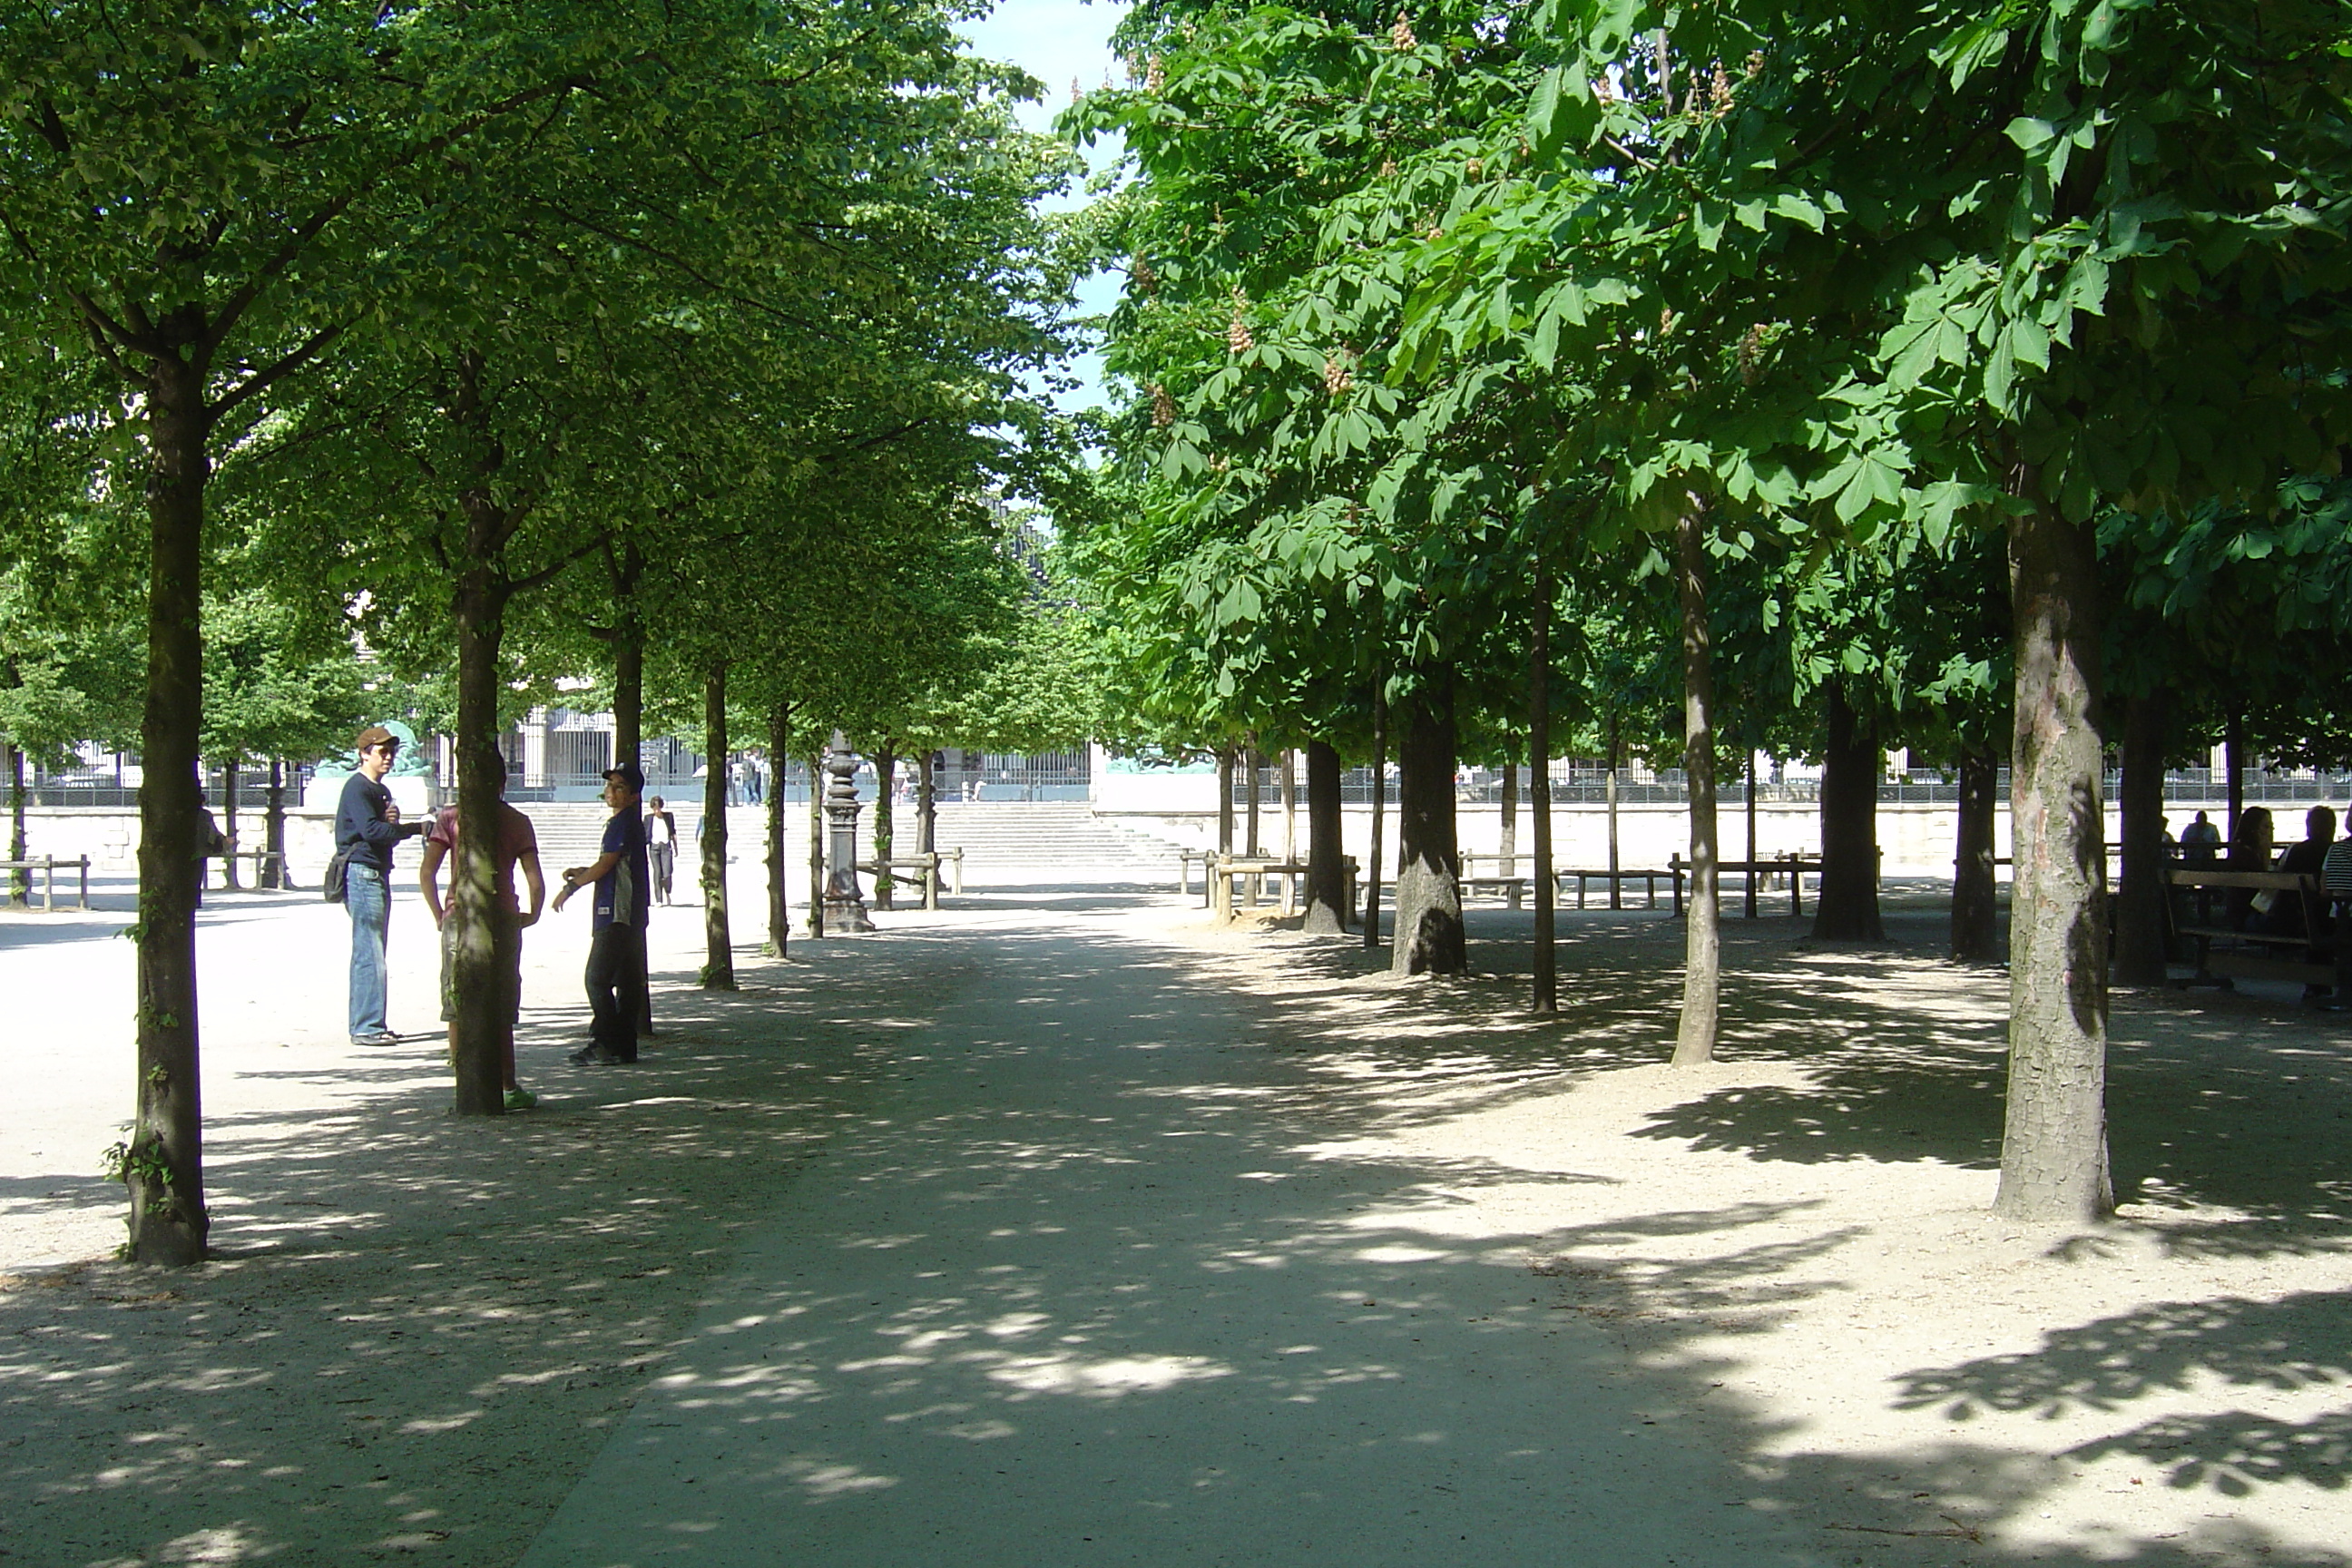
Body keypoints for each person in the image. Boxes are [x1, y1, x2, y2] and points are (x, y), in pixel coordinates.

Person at [419, 754, 545, 1110]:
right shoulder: (517, 821)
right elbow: (534, 878)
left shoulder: (450, 819)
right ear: (504, 783)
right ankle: (507, 1083)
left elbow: (427, 872)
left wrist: (439, 914)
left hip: (460, 914)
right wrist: (531, 914)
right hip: (503, 915)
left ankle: (466, 1084)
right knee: (502, 1002)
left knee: (458, 1000)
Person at [553, 763, 650, 1064]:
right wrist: (584, 871)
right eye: (610, 786)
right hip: (628, 911)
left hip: (617, 912)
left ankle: (606, 1042)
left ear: (634, 796)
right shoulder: (624, 823)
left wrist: (571, 889)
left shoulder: (623, 824)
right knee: (627, 980)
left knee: (597, 979)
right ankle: (624, 1045)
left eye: (620, 787)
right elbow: (615, 866)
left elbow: (608, 864)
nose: (611, 791)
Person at [338, 725, 427, 1045]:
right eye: (382, 752)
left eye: (392, 751)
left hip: (375, 872)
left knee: (373, 949)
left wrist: (394, 824)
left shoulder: (378, 790)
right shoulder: (359, 788)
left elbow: (380, 829)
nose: (388, 757)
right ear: (364, 754)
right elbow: (373, 832)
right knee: (370, 951)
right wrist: (413, 828)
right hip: (363, 873)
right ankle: (366, 1026)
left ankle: (369, 1022)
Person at [2224, 805, 2274, 930]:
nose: (2270, 831)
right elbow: (2263, 882)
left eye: (2271, 827)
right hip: (2247, 916)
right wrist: (2266, 854)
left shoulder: (2243, 850)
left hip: (2249, 913)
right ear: (2253, 828)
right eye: (2266, 827)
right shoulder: (2244, 854)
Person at [645, 795, 679, 905]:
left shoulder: (668, 817)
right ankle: (659, 899)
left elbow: (673, 832)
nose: (656, 811)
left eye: (658, 808)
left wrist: (676, 847)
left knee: (667, 873)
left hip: (666, 847)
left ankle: (667, 891)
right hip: (654, 848)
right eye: (654, 808)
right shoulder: (648, 819)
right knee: (657, 873)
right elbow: (644, 834)